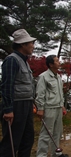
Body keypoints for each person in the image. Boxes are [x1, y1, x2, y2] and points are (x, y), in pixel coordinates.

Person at [0, 29, 36, 157]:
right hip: (16, 105)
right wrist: (8, 109)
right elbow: (7, 85)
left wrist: (32, 102)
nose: (33, 45)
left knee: (27, 139)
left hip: (26, 104)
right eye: (31, 43)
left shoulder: (24, 61)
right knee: (12, 142)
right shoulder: (12, 60)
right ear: (22, 44)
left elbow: (27, 85)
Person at [35, 55, 67, 157]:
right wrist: (40, 109)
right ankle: (41, 155)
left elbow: (60, 93)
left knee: (57, 133)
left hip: (58, 108)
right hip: (49, 108)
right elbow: (40, 94)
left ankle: (56, 154)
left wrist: (62, 106)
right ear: (51, 64)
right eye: (57, 61)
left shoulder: (58, 77)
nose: (59, 62)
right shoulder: (43, 77)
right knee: (46, 134)